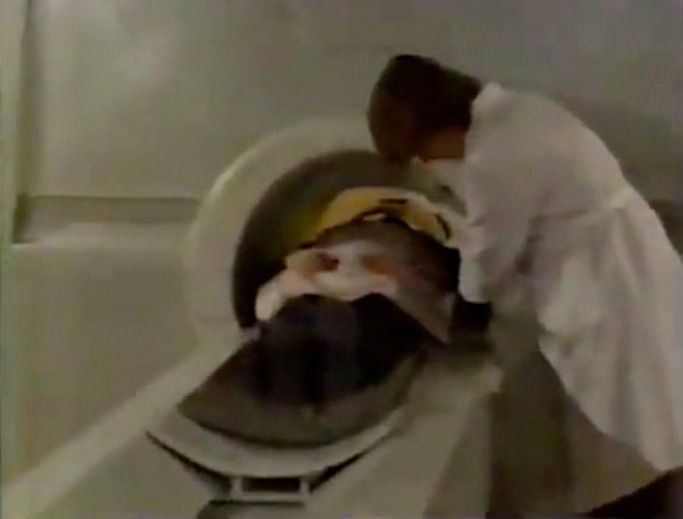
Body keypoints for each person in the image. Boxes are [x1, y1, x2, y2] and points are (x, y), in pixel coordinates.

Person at [367, 54, 683, 516]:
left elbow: (487, 260)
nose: (430, 166)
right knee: (652, 410)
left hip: (607, 288)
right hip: (628, 266)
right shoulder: (518, 112)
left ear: (439, 128)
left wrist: (461, 328)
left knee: (627, 428)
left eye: (423, 154)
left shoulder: (494, 156)